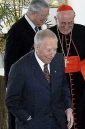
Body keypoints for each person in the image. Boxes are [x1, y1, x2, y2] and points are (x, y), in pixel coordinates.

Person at [5, 29, 73, 129]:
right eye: (49, 50)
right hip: (33, 124)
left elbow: (64, 87)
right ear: (37, 47)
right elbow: (11, 100)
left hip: (58, 122)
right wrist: (27, 118)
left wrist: (68, 108)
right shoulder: (19, 67)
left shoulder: (58, 60)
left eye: (55, 49)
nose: (53, 54)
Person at [4, 0, 49, 128]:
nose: (46, 19)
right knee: (19, 116)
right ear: (33, 13)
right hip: (20, 82)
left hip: (33, 81)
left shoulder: (36, 27)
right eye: (43, 16)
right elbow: (9, 60)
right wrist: (10, 85)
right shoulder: (17, 29)